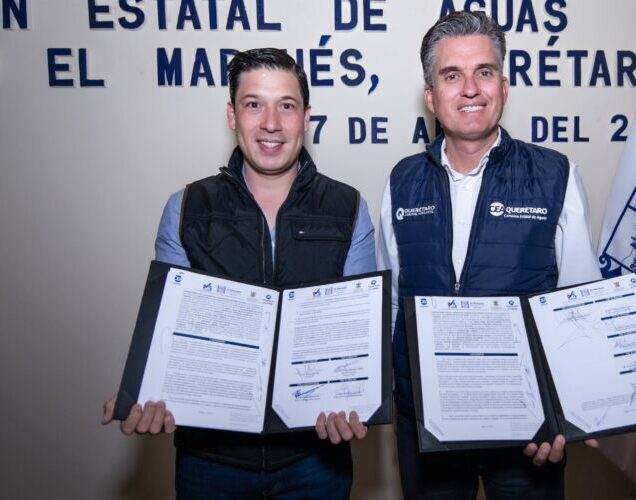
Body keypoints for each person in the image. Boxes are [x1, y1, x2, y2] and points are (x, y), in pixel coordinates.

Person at [101, 48, 376, 499]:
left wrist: (354, 399)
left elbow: (360, 336)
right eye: (253, 104)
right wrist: (145, 390)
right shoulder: (186, 207)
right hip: (210, 462)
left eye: (286, 105)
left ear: (306, 117)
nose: (271, 123)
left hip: (315, 460)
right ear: (232, 115)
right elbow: (168, 335)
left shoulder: (349, 208)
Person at [377, 11, 601, 499]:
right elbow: (391, 305)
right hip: (426, 427)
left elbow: (579, 307)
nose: (470, 89)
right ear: (430, 96)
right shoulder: (401, 182)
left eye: (484, 72)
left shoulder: (556, 175)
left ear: (503, 85)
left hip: (529, 432)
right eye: (451, 76)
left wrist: (567, 415)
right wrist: (394, 397)